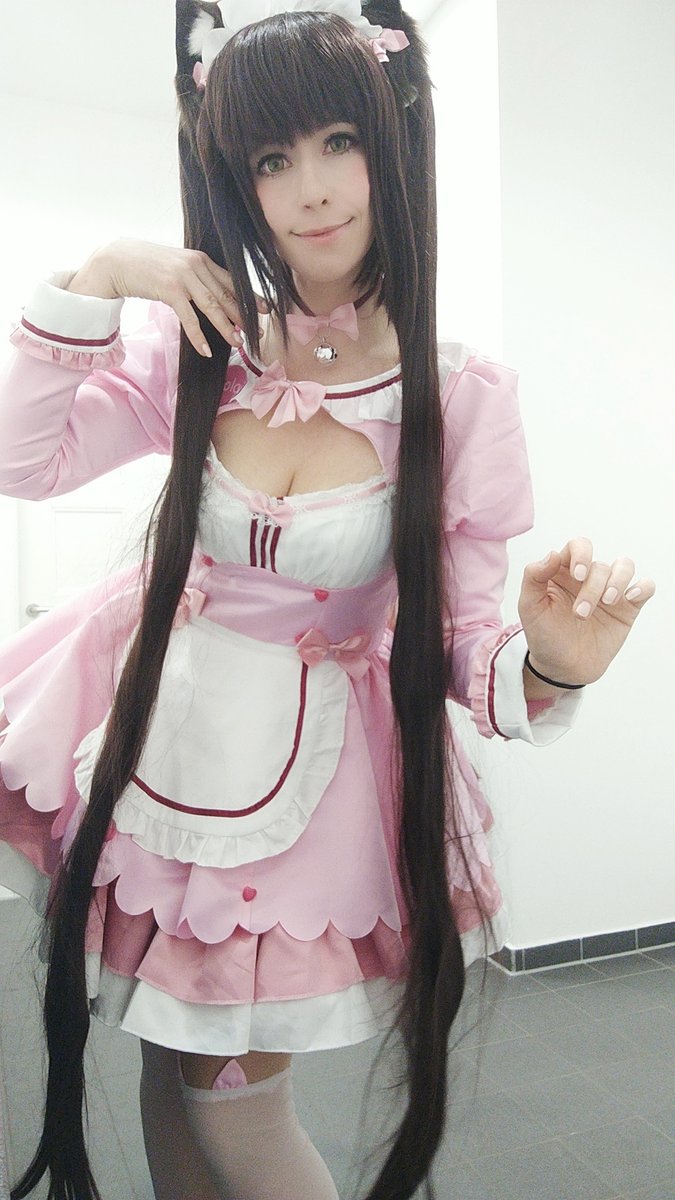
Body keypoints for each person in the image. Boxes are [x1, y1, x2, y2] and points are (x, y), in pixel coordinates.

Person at [0, 2, 655, 1199]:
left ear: (390, 143)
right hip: (159, 746)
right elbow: (23, 460)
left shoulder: (459, 393)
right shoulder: (203, 344)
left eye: (338, 142)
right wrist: (100, 278)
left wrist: (552, 661)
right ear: (237, 182)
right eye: (271, 158)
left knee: (234, 1098)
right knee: (171, 1065)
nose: (309, 189)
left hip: (308, 790)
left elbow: (460, 642)